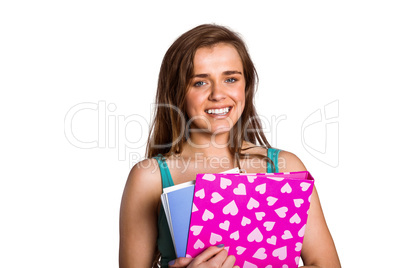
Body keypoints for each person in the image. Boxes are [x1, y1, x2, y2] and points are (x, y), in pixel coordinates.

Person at [119, 24, 341, 268]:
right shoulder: (149, 178)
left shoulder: (283, 167)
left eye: (231, 79)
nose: (218, 94)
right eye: (200, 83)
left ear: (246, 86)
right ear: (177, 92)